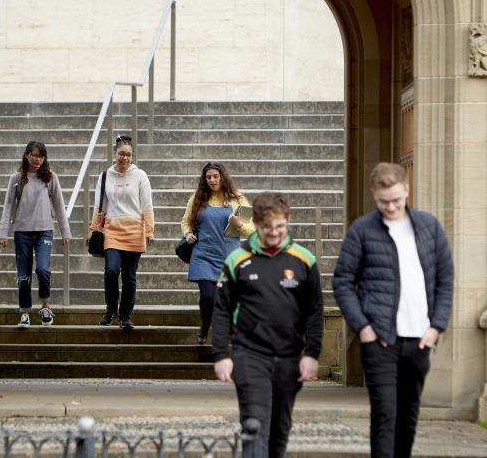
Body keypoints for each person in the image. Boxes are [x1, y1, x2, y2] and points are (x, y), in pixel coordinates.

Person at [332, 162, 454, 458]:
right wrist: (363, 327)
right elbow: (343, 281)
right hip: (380, 340)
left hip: (420, 339)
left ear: (407, 190)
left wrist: (436, 326)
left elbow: (445, 278)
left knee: (408, 414)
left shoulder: (429, 227)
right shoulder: (362, 230)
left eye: (397, 200)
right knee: (385, 413)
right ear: (374, 194)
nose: (390, 207)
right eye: (383, 201)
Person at [212, 191, 323, 458]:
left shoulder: (304, 260)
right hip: (250, 354)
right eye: (267, 227)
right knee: (255, 423)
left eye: (280, 227)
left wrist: (312, 354)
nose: (274, 233)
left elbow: (314, 311)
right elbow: (222, 310)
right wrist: (221, 355)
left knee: (280, 427)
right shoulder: (236, 260)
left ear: (287, 222)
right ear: (256, 224)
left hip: (289, 357)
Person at [0, 141, 72, 328]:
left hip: (44, 231)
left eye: (41, 156)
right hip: (22, 231)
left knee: (43, 269)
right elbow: (8, 205)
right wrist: (3, 232)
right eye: (34, 155)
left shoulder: (50, 177)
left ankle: (45, 306)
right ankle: (24, 313)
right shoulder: (16, 178)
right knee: (23, 274)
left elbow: (59, 205)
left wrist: (65, 231)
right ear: (26, 155)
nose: (37, 159)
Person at [180, 162, 254, 345]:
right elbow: (186, 222)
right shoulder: (197, 198)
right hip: (203, 255)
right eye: (208, 177)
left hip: (229, 256)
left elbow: (251, 231)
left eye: (215, 176)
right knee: (208, 297)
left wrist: (239, 225)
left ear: (222, 177)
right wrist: (188, 234)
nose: (212, 180)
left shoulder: (238, 200)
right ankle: (205, 325)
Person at [87, 134, 155, 330]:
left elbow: (147, 205)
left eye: (128, 155)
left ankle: (125, 315)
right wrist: (93, 228)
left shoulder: (140, 175)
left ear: (132, 156)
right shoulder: (105, 176)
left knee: (129, 276)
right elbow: (99, 206)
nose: (125, 158)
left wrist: (149, 230)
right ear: (114, 153)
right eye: (121, 154)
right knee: (111, 270)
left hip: (134, 230)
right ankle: (110, 309)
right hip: (112, 230)